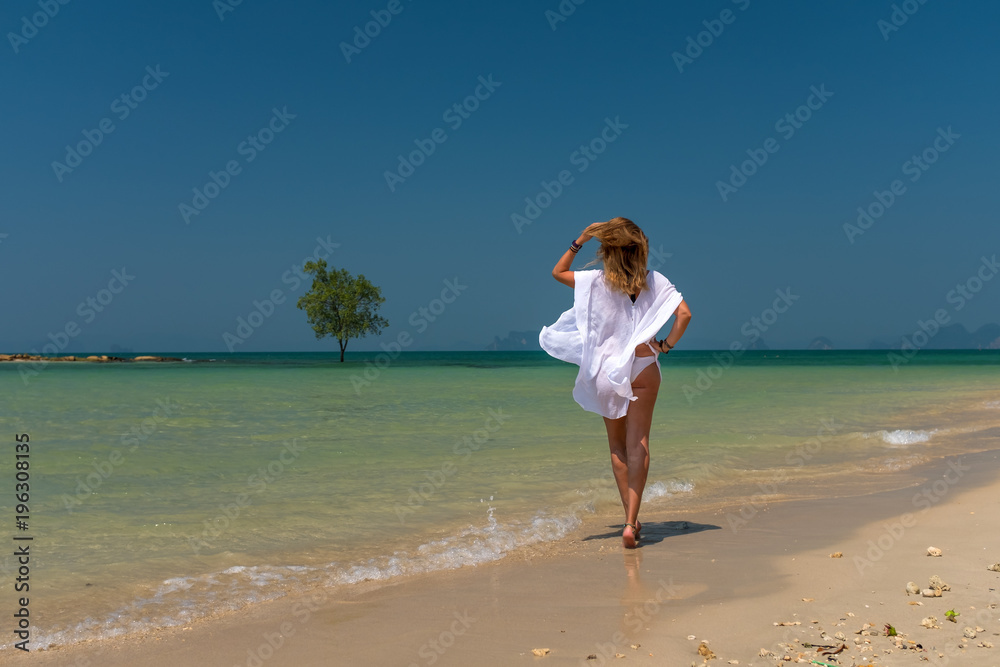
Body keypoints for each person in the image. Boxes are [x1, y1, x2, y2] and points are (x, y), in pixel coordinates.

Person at [539, 217, 692, 548]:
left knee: (618, 447)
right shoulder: (655, 281)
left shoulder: (595, 281)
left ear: (607, 250)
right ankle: (629, 521)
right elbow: (684, 315)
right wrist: (665, 345)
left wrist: (580, 238)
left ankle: (631, 522)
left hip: (608, 372)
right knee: (640, 444)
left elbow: (557, 272)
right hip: (644, 367)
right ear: (641, 249)